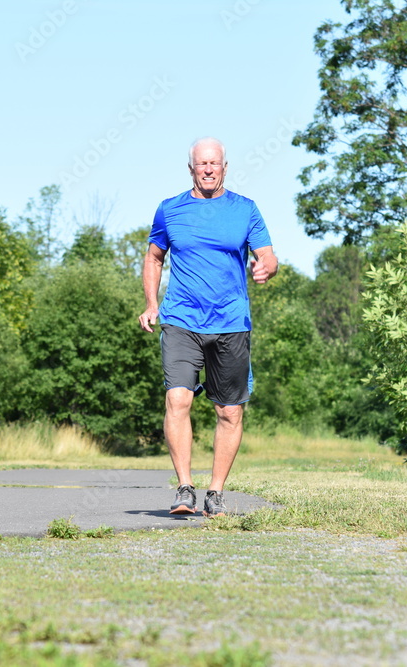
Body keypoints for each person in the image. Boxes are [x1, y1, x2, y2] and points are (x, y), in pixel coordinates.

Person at [138, 137, 278, 517]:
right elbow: (154, 258)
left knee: (229, 411)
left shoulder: (245, 210)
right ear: (191, 169)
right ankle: (185, 488)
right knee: (178, 398)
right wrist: (152, 304)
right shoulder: (170, 211)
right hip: (182, 318)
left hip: (232, 321)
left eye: (214, 163)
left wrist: (266, 266)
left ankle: (215, 492)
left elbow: (268, 254)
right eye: (202, 164)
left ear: (225, 167)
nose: (208, 170)